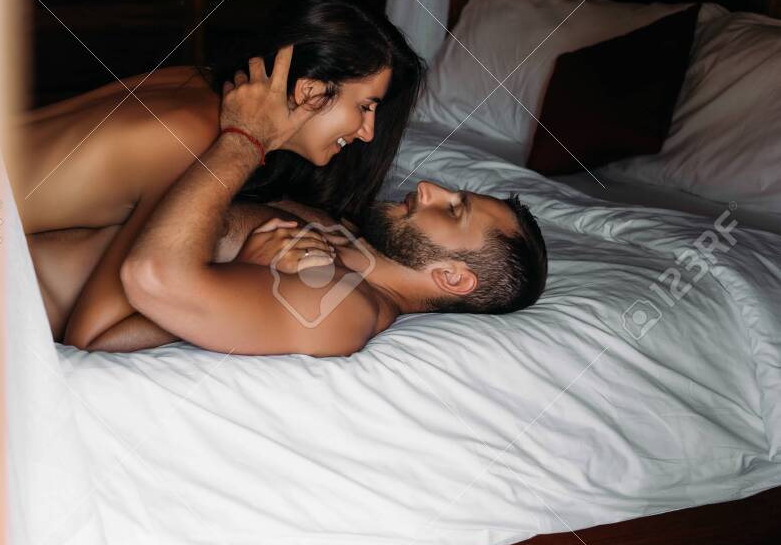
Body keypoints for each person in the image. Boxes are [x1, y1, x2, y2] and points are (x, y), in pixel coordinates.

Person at [14, 0, 424, 351]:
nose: (368, 132)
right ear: (310, 92)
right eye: (365, 107)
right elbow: (93, 334)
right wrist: (239, 272)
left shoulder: (199, 85)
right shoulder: (195, 141)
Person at [119, 46, 549, 356]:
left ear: (453, 278)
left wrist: (243, 139)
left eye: (454, 210)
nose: (428, 188)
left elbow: (143, 289)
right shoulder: (345, 233)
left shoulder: (344, 309)